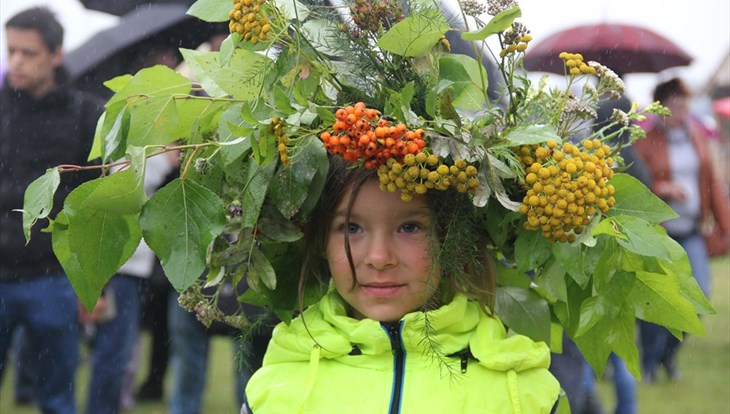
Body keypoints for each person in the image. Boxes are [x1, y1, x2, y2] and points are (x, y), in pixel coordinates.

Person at [242, 154, 561, 413]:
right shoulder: (278, 387)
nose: (379, 258)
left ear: (451, 238)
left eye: (409, 227)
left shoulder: (520, 389)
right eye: (352, 228)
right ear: (322, 241)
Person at [0, 7, 104, 414]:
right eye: (11, 51)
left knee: (58, 398)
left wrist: (94, 281)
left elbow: (95, 201)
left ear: (56, 54)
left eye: (29, 53)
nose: (17, 62)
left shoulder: (85, 113)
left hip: (53, 277)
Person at [633, 77, 730, 382]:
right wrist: (665, 188)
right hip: (659, 235)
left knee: (699, 294)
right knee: (657, 301)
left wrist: (725, 225)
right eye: (674, 103)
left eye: (684, 102)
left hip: (691, 232)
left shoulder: (696, 137)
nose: (680, 108)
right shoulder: (646, 140)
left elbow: (712, 181)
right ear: (660, 107)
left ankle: (667, 355)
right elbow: (639, 184)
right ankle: (649, 363)